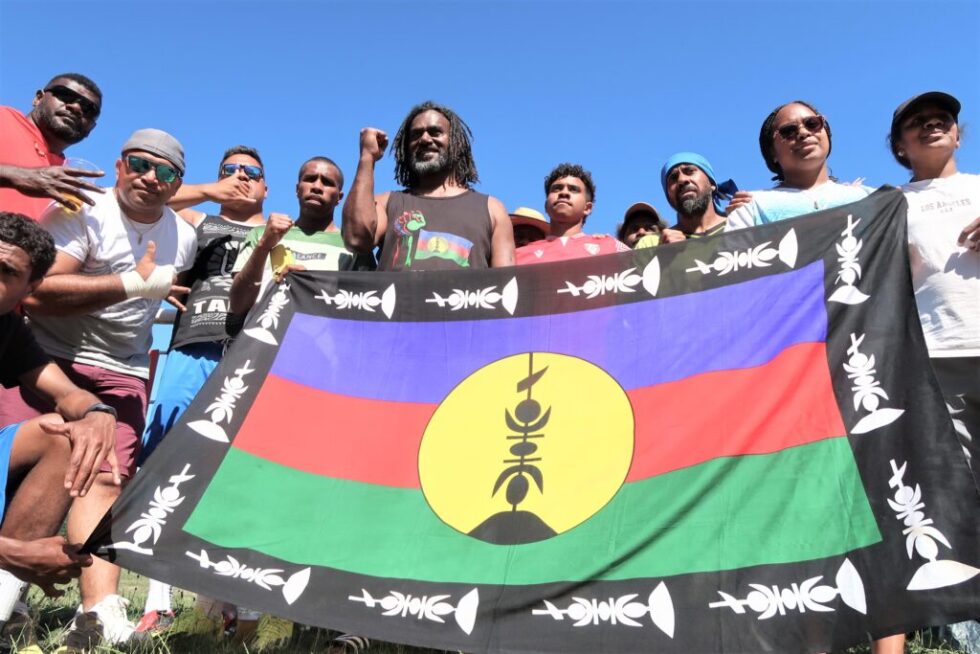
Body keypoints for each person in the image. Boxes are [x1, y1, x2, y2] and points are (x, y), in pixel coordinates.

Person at [0, 129, 196, 648]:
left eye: (166, 171)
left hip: (122, 369)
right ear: (119, 165)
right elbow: (35, 293)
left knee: (106, 480)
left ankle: (99, 610)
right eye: (140, 163)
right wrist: (129, 284)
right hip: (43, 356)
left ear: (177, 183)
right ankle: (10, 597)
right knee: (16, 476)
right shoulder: (81, 210)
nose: (151, 177)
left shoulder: (184, 236)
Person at [134, 146, 267, 634]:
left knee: (235, 474)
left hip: (251, 356)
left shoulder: (280, 228)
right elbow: (153, 200)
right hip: (191, 347)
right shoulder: (197, 220)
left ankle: (227, 602)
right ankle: (159, 600)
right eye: (230, 169)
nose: (240, 177)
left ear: (265, 186)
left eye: (251, 172)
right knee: (165, 462)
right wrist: (212, 191)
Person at [0, 212, 121, 642]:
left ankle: (1, 607)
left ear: (30, 289)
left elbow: (67, 393)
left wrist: (98, 414)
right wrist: (11, 553)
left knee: (64, 433)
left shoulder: (9, 330)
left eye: (5, 272)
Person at [891, 91, 979, 489]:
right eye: (917, 122)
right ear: (899, 147)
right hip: (939, 356)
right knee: (963, 486)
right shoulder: (888, 205)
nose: (932, 124)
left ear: (958, 136)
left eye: (942, 118)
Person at [342, 101, 514, 270]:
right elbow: (356, 239)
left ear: (456, 142)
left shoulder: (492, 209)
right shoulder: (387, 203)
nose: (424, 139)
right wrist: (367, 157)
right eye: (416, 135)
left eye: (435, 132)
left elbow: (506, 281)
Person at [230, 156, 374, 318]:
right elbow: (238, 304)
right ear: (297, 189)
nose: (317, 187)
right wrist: (264, 246)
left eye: (327, 182)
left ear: (339, 197)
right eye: (310, 179)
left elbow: (364, 312)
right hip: (262, 332)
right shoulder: (262, 234)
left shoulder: (354, 246)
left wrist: (309, 286)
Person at [726, 100, 873, 231]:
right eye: (788, 131)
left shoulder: (870, 198)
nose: (803, 133)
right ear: (772, 152)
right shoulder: (753, 208)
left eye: (812, 123)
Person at [0, 73, 105, 219]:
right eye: (65, 95)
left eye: (89, 109)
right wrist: (17, 176)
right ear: (38, 98)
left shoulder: (67, 178)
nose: (76, 107)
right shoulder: (4, 118)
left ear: (91, 128)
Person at [515, 163, 629, 265]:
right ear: (546, 206)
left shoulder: (613, 248)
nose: (564, 193)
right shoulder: (517, 256)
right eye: (556, 189)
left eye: (573, 189)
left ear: (587, 208)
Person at [659, 153, 732, 243]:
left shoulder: (740, 226)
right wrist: (661, 250)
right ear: (669, 197)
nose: (681, 180)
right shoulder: (660, 244)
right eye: (673, 177)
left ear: (712, 184)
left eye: (689, 171)